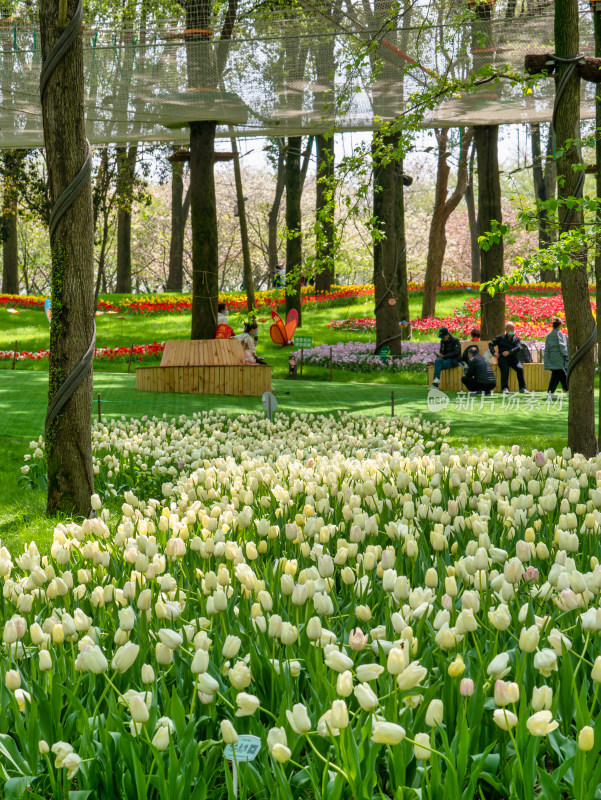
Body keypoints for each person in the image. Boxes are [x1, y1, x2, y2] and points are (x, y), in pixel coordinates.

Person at [489, 321, 530, 394]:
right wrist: (494, 353)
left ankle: (522, 388)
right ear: (506, 329)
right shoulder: (500, 337)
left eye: (513, 328)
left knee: (520, 368)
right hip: (503, 358)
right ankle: (504, 388)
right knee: (505, 369)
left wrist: (509, 352)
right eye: (510, 328)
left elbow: (518, 348)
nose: (511, 330)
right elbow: (491, 344)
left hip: (513, 358)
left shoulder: (516, 339)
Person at [544, 316, 569, 399]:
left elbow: (547, 347)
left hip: (551, 356)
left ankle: (567, 389)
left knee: (560, 374)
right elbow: (563, 346)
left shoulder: (549, 334)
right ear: (560, 325)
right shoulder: (560, 334)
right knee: (558, 374)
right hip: (558, 356)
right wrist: (566, 355)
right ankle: (551, 393)